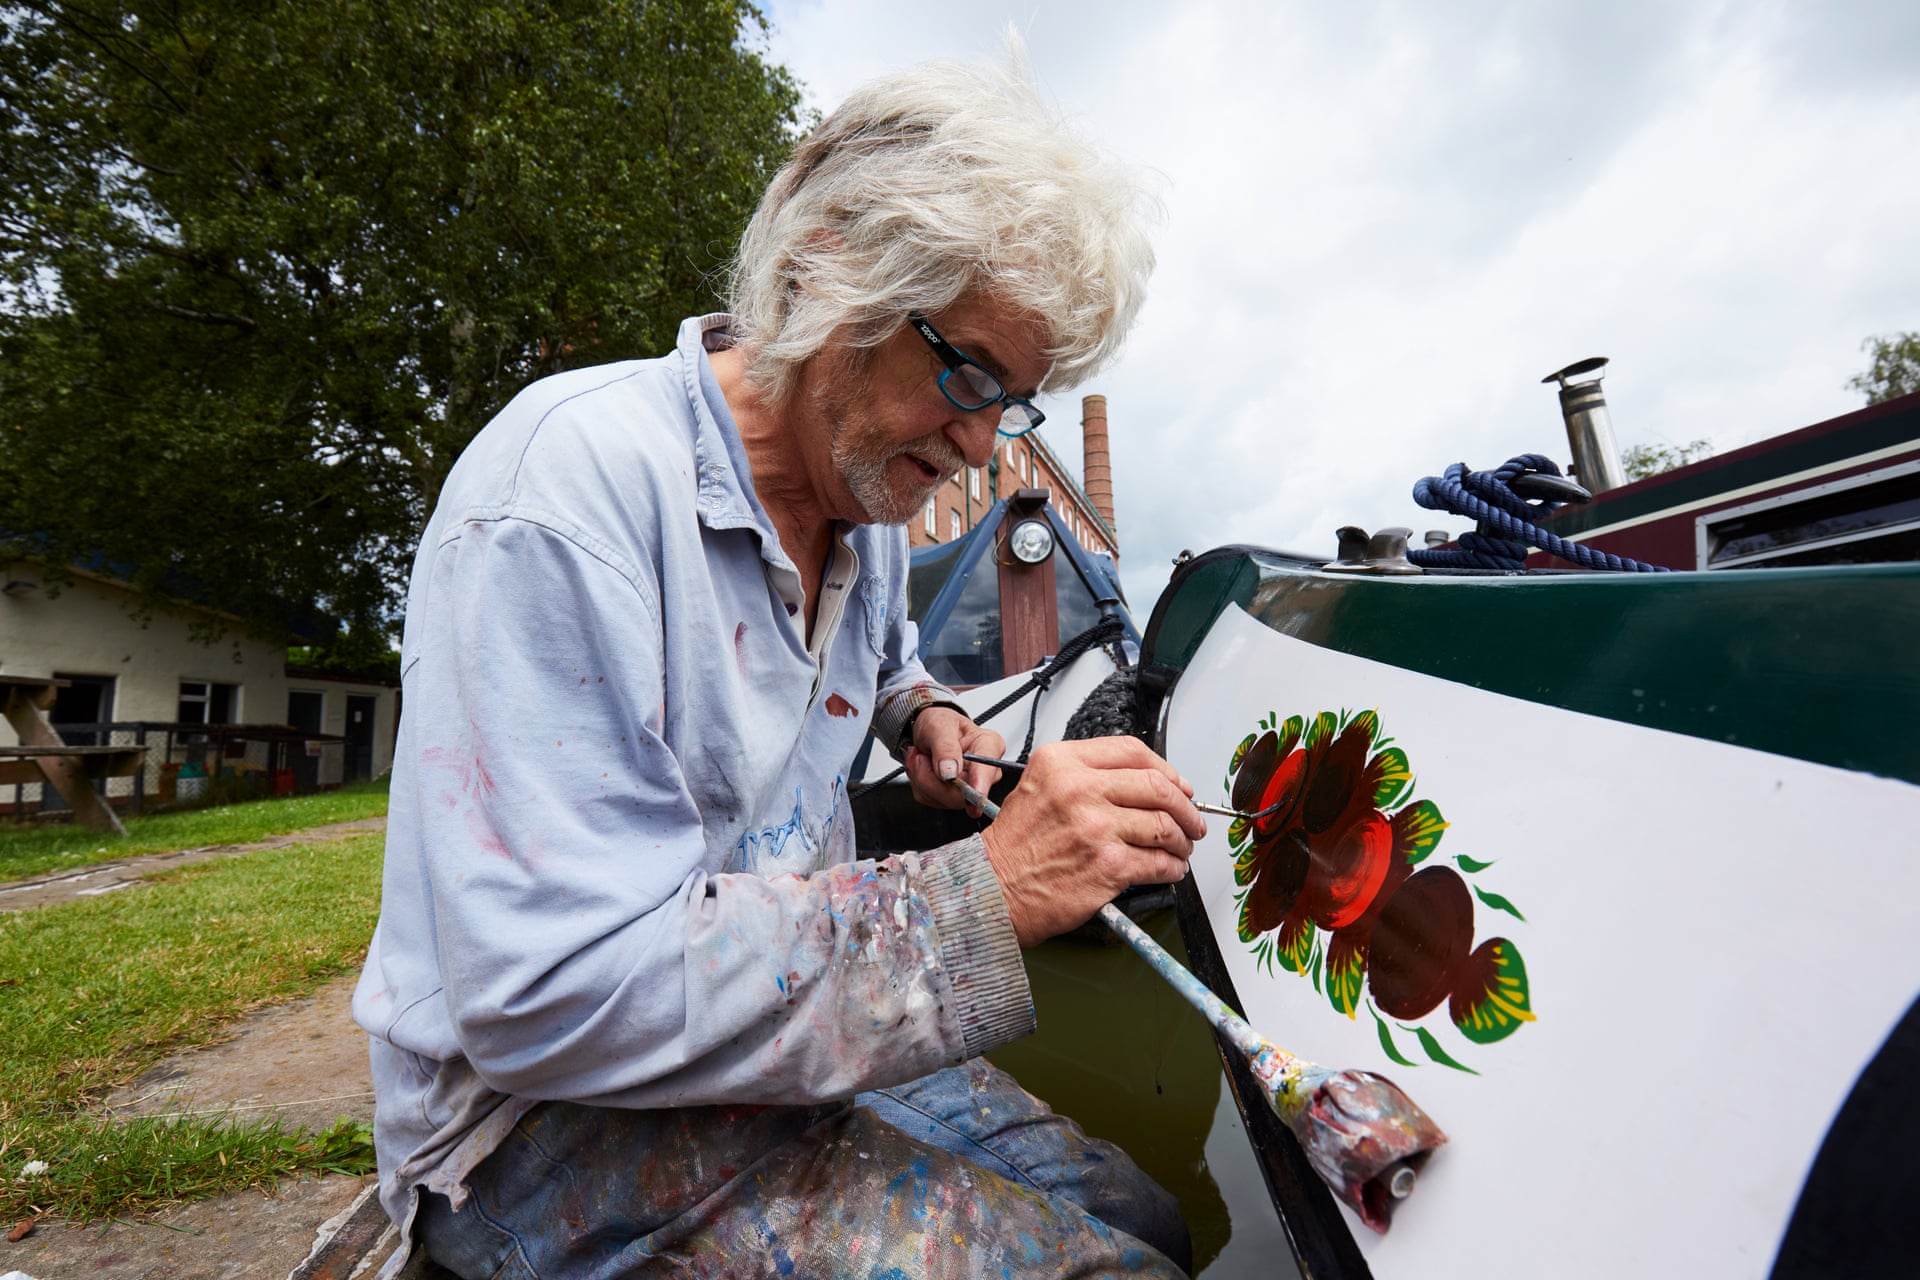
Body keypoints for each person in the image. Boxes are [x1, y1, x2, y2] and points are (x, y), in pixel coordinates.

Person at [354, 50, 1206, 1280]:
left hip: (781, 1035)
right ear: (826, 269)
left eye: (1014, 401)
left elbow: (887, 655)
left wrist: (923, 712)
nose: (981, 444)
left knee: (1147, 1211)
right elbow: (546, 993)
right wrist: (991, 889)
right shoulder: (563, 499)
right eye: (968, 373)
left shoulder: (862, 511)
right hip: (537, 1125)